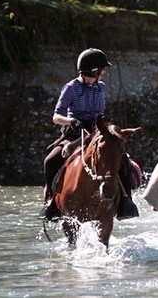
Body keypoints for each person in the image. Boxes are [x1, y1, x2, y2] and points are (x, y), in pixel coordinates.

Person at [39, 48, 139, 221]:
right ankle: (52, 202)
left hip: (96, 131)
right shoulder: (71, 88)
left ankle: (125, 200)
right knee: (51, 160)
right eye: (102, 69)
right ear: (94, 70)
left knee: (121, 159)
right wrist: (70, 121)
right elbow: (56, 117)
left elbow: (101, 113)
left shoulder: (101, 87)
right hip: (74, 132)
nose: (104, 73)